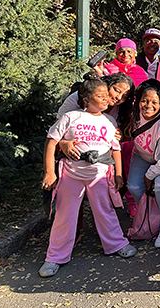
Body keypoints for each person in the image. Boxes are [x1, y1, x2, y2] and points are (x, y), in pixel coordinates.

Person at [39, 77, 136, 277]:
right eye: (100, 96)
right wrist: (49, 172)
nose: (107, 99)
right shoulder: (70, 117)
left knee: (105, 211)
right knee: (64, 215)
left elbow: (115, 149)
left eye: (106, 96)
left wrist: (118, 174)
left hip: (99, 174)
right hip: (71, 173)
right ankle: (55, 256)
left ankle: (116, 244)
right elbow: (51, 142)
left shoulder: (109, 121)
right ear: (86, 99)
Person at [125, 79, 160, 248]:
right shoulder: (134, 112)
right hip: (142, 155)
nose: (148, 106)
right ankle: (152, 214)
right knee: (134, 186)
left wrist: (149, 176)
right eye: (144, 101)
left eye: (154, 102)